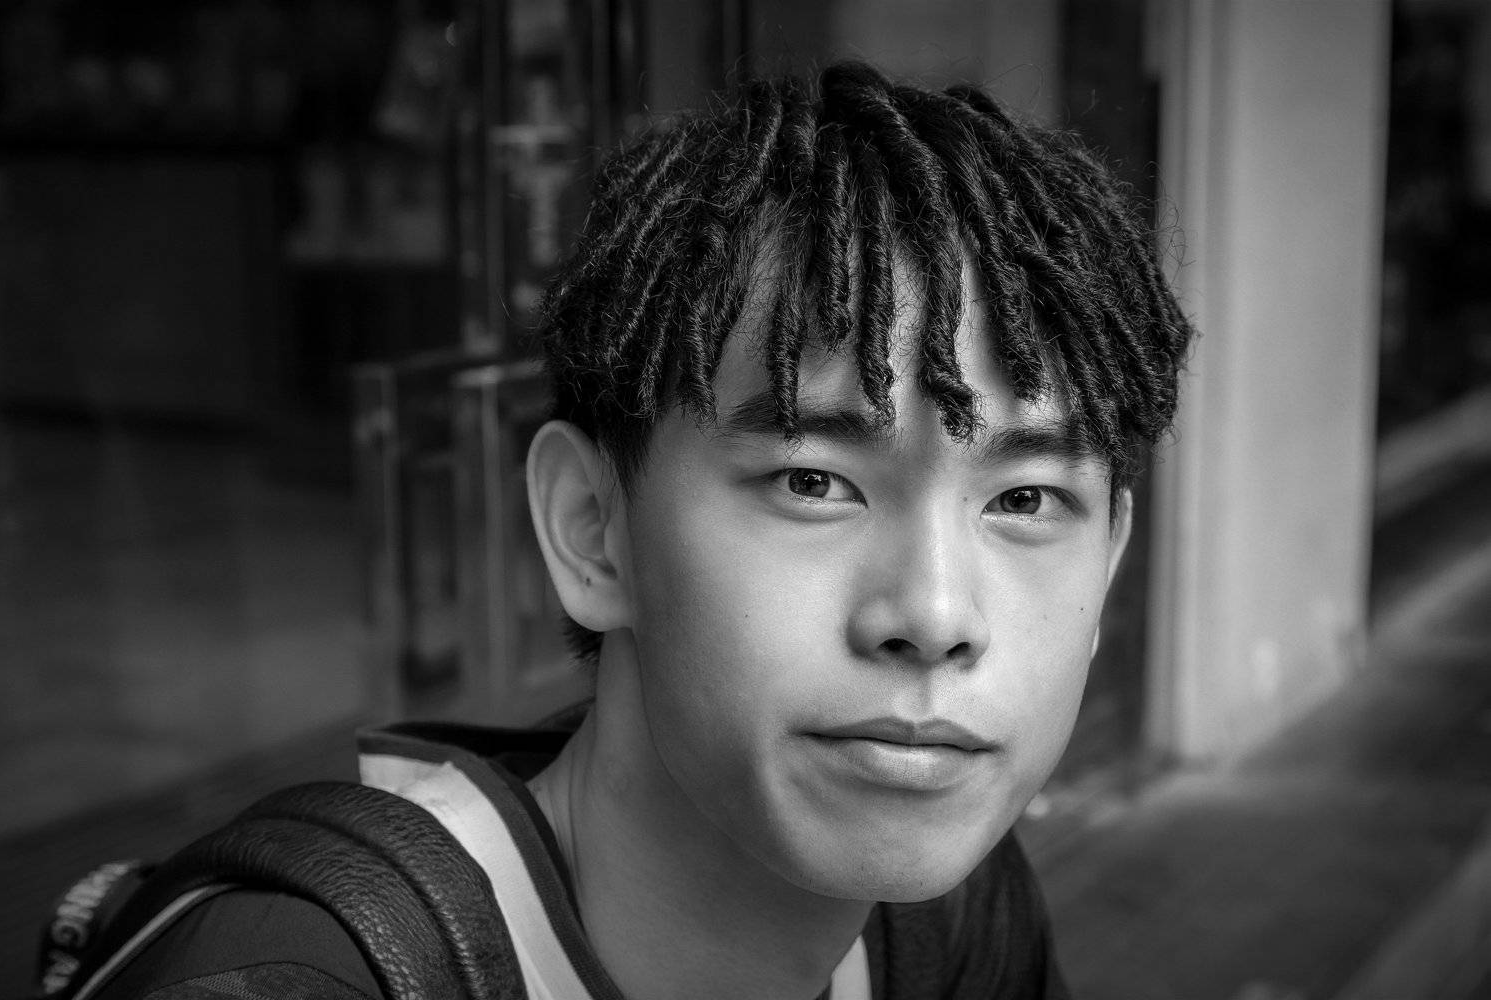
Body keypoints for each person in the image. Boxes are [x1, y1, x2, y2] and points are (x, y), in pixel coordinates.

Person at [87, 60, 1192, 999]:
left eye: (1025, 500)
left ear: (1109, 562)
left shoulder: (955, 922)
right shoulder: (293, 976)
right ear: (590, 528)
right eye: (813, 480)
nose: (937, 614)